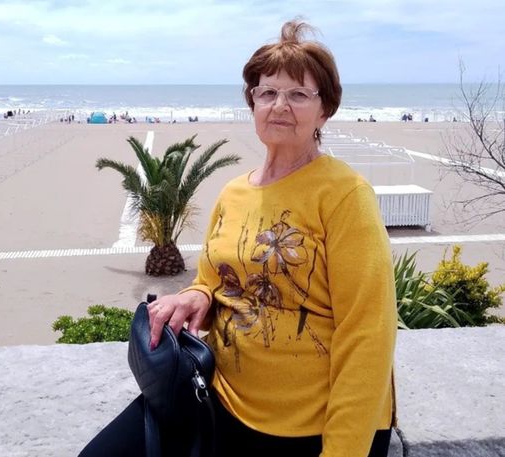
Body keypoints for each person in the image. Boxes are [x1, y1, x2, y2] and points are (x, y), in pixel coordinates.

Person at [79, 19, 396, 457]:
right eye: (267, 93)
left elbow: (368, 334)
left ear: (324, 110)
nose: (279, 105)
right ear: (253, 103)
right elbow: (212, 281)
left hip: (306, 426)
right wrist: (195, 297)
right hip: (216, 396)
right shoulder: (234, 192)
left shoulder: (345, 195)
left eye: (298, 94)